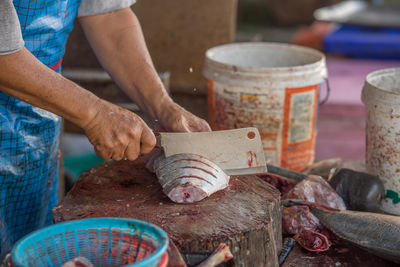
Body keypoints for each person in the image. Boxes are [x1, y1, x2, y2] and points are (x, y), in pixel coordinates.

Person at [0, 0, 210, 260]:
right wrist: (95, 113)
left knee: (31, 246)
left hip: (39, 118)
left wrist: (163, 107)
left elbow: (108, 15)